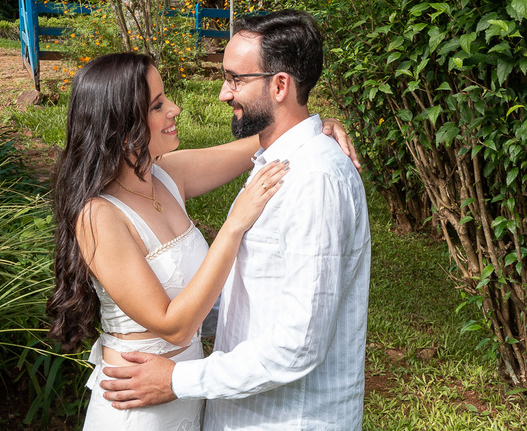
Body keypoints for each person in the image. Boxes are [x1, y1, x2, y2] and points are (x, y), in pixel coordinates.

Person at [47, 51, 357, 431]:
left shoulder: (163, 176)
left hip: (183, 393)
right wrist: (233, 226)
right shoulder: (99, 217)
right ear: (122, 125)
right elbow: (172, 325)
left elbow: (273, 140)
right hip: (138, 404)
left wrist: (317, 127)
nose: (174, 108)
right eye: (159, 104)